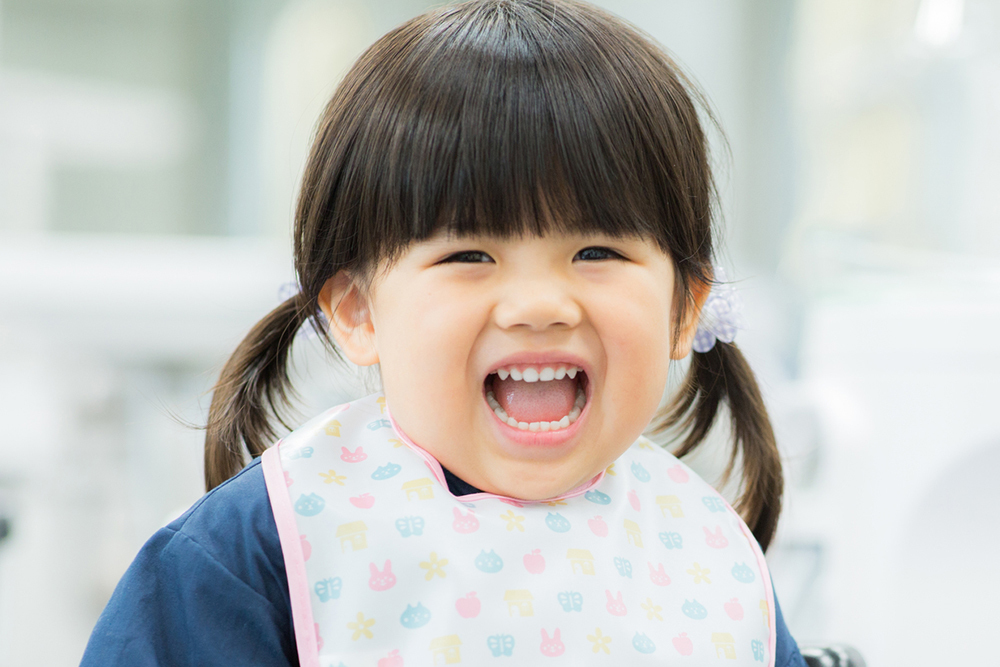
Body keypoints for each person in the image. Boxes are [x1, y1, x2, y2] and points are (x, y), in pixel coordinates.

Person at [81, 0, 807, 665]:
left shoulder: (709, 558)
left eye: (597, 253)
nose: (539, 304)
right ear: (358, 309)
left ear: (685, 306)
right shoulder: (261, 548)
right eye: (470, 255)